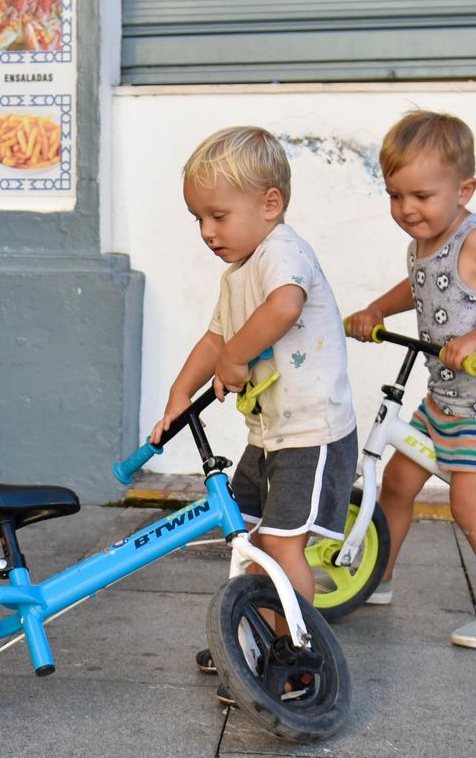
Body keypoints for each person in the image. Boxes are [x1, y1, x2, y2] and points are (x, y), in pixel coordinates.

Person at [150, 126, 357, 702]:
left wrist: (239, 356)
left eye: (217, 215)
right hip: (270, 432)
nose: (207, 232)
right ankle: (254, 637)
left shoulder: (282, 252)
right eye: (198, 219)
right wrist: (178, 393)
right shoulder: (237, 272)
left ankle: (297, 658)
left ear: (270, 204)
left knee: (283, 546)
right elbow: (217, 337)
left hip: (311, 433)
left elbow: (284, 307)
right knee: (250, 537)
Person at [344, 109, 476, 649]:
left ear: (464, 190)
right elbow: (418, 285)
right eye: (395, 196)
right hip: (444, 397)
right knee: (397, 483)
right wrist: (375, 310)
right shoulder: (423, 242)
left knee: (468, 505)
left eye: (421, 196)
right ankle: (376, 576)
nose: (407, 209)